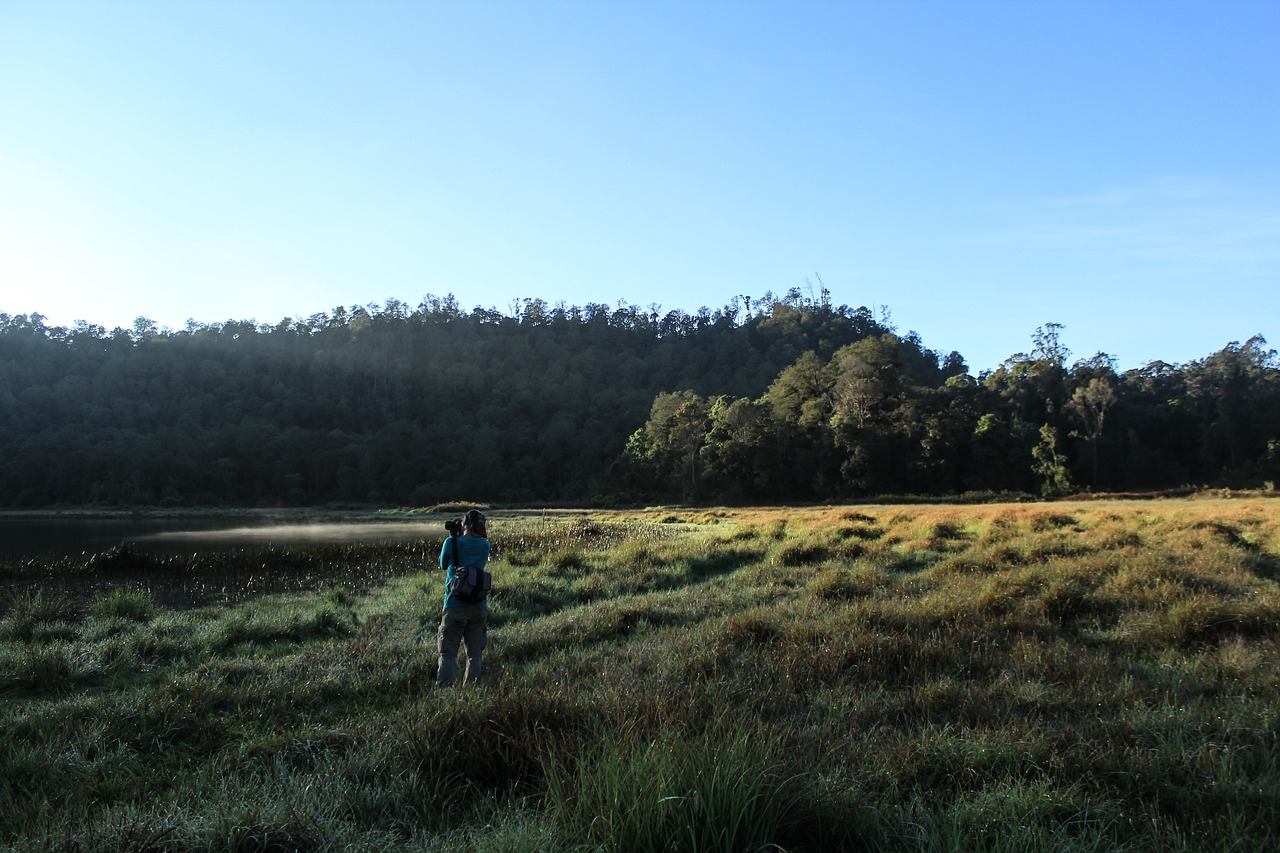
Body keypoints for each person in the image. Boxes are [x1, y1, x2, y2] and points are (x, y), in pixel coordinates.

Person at [435, 509, 491, 687]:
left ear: (465, 524)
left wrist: (454, 536)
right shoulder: (485, 545)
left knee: (447, 654)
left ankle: (443, 692)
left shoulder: (451, 542)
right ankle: (472, 690)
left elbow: (443, 564)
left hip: (454, 604)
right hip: (478, 605)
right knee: (475, 654)